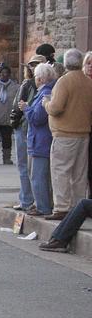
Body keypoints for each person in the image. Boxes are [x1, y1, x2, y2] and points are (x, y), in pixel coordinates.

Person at [42, 48, 92, 219]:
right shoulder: (88, 82)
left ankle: (62, 207)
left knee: (61, 171)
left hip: (65, 133)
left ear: (65, 63)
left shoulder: (64, 81)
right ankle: (78, 207)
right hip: (83, 133)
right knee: (79, 174)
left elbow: (56, 108)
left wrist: (46, 103)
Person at [22, 62, 57, 216]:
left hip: (41, 141)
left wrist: (25, 108)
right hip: (39, 139)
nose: (34, 80)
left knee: (38, 176)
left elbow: (37, 118)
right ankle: (42, 204)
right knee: (39, 176)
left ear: (41, 79)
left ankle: (43, 206)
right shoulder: (44, 93)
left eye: (36, 77)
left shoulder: (45, 94)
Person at [10, 57, 44, 210]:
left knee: (24, 166)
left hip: (25, 126)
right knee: (33, 168)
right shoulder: (47, 86)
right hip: (34, 128)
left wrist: (14, 121)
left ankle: (26, 200)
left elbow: (18, 106)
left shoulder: (28, 84)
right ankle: (31, 200)